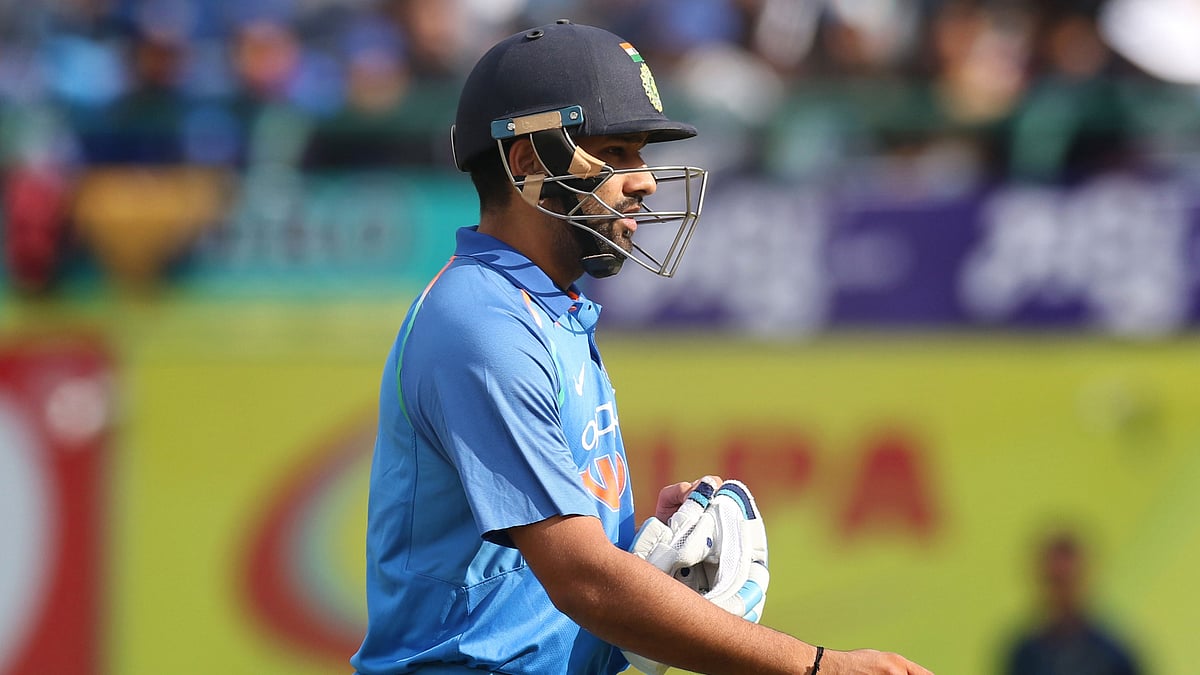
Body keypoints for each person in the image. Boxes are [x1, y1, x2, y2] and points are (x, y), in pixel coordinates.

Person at [352, 19, 934, 675]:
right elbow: (583, 582)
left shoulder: (546, 309)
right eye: (616, 153)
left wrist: (642, 548)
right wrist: (820, 667)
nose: (645, 180)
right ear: (526, 164)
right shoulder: (483, 323)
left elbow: (555, 578)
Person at [1004, 531, 1141, 675]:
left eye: (1068, 582)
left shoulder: (1113, 657)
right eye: (1054, 581)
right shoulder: (1024, 656)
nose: (1061, 593)